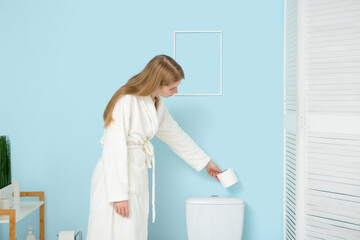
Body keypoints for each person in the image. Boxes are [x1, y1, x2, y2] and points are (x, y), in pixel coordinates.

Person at [87, 54, 222, 240]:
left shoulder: (156, 104)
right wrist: (118, 195)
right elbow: (113, 147)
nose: (175, 92)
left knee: (132, 232)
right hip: (115, 178)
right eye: (172, 88)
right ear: (157, 83)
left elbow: (176, 136)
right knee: (114, 232)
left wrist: (206, 162)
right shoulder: (126, 101)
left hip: (136, 173)